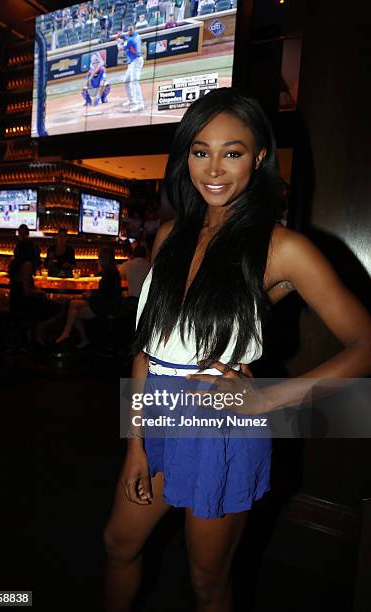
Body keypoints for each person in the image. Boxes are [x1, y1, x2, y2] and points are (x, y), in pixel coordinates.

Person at [103, 88, 371, 611]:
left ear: (260, 157)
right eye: (201, 151)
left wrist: (267, 400)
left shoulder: (281, 247)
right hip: (154, 410)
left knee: (206, 580)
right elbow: (145, 352)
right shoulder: (170, 236)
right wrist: (135, 443)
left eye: (234, 151)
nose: (214, 168)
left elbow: (366, 343)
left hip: (218, 424)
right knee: (118, 542)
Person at [55, 247, 122, 348]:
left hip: (105, 308)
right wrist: (91, 294)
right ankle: (67, 333)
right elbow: (105, 293)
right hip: (106, 303)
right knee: (73, 304)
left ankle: (81, 337)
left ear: (104, 259)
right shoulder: (112, 273)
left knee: (74, 314)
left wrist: (89, 296)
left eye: (99, 258)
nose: (97, 260)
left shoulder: (109, 275)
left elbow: (104, 297)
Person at [118, 26, 145, 112]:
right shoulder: (136, 35)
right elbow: (128, 40)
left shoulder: (130, 40)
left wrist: (118, 40)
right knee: (126, 81)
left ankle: (140, 104)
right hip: (134, 61)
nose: (128, 32)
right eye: (128, 30)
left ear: (133, 30)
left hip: (135, 61)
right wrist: (122, 37)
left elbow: (120, 48)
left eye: (130, 30)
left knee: (134, 82)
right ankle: (132, 100)